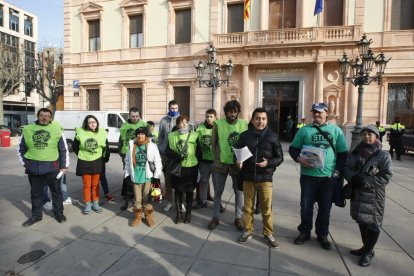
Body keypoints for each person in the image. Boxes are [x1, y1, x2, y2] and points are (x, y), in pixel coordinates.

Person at [289, 102, 348, 250]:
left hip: (328, 178)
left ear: (326, 113)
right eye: (314, 112)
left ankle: (322, 234)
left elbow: (343, 154)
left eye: (320, 112)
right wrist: (299, 159)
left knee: (325, 208)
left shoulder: (336, 130)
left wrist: (337, 173)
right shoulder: (304, 131)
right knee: (306, 206)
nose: (316, 115)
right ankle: (304, 232)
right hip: (308, 176)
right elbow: (293, 148)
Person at [234, 108, 284, 248]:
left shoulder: (273, 137)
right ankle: (248, 230)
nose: (260, 121)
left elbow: (280, 157)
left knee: (266, 208)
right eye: (257, 118)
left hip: (265, 178)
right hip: (248, 177)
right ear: (253, 119)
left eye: (263, 119)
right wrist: (238, 161)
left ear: (267, 120)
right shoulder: (245, 136)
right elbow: (236, 154)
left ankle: (268, 233)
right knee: (248, 208)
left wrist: (268, 163)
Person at [343, 125, 392, 267]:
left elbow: (386, 176)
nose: (366, 136)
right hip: (357, 192)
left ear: (376, 136)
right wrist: (352, 177)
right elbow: (346, 167)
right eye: (364, 134)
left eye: (370, 134)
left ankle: (369, 252)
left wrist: (365, 181)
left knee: (373, 223)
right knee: (361, 219)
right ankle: (365, 247)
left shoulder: (383, 155)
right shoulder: (355, 152)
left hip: (374, 195)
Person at [18, 108, 69, 227]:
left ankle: (59, 213)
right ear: (37, 116)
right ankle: (36, 216)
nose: (44, 117)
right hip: (34, 168)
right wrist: (26, 164)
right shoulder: (28, 129)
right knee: (36, 194)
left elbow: (63, 149)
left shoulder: (57, 129)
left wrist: (64, 166)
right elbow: (21, 149)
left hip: (53, 167)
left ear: (50, 118)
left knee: (56, 192)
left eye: (47, 116)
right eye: (42, 115)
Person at [208, 100, 248, 231]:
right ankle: (215, 217)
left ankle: (238, 217)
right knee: (218, 192)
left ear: (238, 112)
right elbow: (213, 144)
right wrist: (218, 157)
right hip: (221, 164)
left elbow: (247, 143)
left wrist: (242, 160)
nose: (232, 114)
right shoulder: (218, 124)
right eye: (230, 111)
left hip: (238, 164)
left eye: (235, 111)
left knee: (238, 191)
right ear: (226, 112)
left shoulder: (244, 124)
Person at [165, 115, 201, 224]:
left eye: (186, 122)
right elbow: (167, 151)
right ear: (177, 125)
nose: (184, 124)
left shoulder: (195, 135)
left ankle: (188, 213)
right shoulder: (172, 135)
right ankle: (179, 214)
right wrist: (177, 156)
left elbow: (199, 152)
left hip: (191, 168)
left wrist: (198, 167)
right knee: (178, 191)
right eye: (181, 122)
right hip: (178, 168)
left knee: (190, 191)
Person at [124, 127, 162, 227]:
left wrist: (157, 176)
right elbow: (127, 161)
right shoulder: (132, 145)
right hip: (136, 176)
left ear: (146, 135)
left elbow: (158, 161)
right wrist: (127, 175)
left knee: (147, 198)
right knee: (137, 199)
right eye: (138, 134)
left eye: (142, 134)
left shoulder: (152, 146)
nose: (140, 136)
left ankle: (148, 216)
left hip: (148, 176)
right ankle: (137, 217)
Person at [73, 115, 109, 214]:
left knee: (95, 185)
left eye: (94, 122)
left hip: (97, 161)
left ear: (97, 123)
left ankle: (95, 202)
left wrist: (105, 158)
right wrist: (84, 155)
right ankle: (87, 203)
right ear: (86, 124)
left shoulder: (102, 133)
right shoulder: (80, 132)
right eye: (90, 122)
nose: (92, 124)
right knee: (87, 184)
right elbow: (75, 147)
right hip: (85, 162)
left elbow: (106, 148)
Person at [118, 107, 147, 210]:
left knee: (141, 176)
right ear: (129, 116)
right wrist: (122, 154)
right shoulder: (124, 126)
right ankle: (129, 199)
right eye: (133, 116)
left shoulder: (144, 125)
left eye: (137, 116)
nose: (135, 118)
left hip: (141, 155)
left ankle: (141, 198)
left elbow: (149, 139)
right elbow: (121, 141)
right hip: (127, 154)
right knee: (128, 177)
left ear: (139, 116)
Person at [158, 100, 180, 212]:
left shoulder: (182, 120)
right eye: (172, 108)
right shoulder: (163, 121)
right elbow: (160, 137)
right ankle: (169, 202)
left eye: (176, 108)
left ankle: (180, 202)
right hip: (166, 156)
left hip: (177, 156)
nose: (174, 110)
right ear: (169, 108)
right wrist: (162, 149)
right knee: (168, 180)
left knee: (179, 180)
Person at [194, 109, 217, 209]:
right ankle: (202, 201)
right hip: (204, 160)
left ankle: (218, 203)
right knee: (203, 182)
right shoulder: (200, 128)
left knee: (217, 183)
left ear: (215, 117)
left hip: (216, 161)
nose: (208, 118)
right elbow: (196, 143)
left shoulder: (218, 127)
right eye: (207, 116)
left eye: (211, 116)